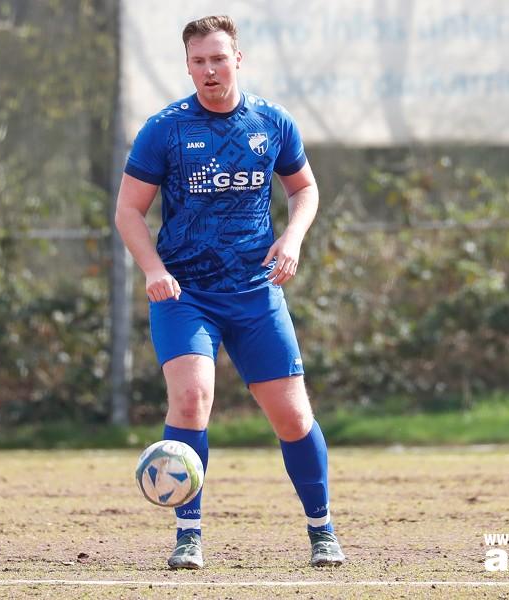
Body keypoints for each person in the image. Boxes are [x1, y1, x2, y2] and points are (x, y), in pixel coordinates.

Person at [114, 14, 345, 570]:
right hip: (185, 294)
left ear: (237, 59)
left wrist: (292, 236)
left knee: (292, 418)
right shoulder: (165, 129)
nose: (209, 70)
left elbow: (305, 188)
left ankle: (322, 530)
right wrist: (152, 269)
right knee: (192, 399)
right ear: (187, 66)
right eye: (198, 61)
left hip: (254, 291)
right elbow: (127, 211)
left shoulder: (272, 121)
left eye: (218, 59)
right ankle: (188, 535)